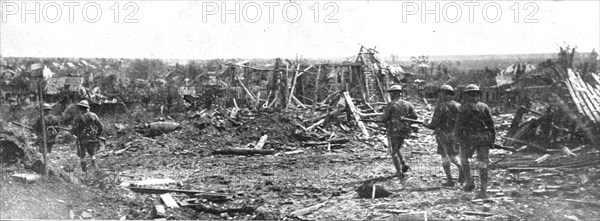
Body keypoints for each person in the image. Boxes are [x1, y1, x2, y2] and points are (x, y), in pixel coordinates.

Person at [454, 84, 495, 199]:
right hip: (484, 139)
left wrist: (457, 140)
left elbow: (458, 127)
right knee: (483, 163)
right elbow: (491, 125)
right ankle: (483, 190)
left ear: (466, 96)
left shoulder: (463, 108)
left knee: (464, 160)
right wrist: (492, 140)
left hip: (468, 139)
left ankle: (469, 181)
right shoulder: (484, 106)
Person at [424, 85, 464, 187]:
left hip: (443, 136)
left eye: (440, 93)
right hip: (455, 135)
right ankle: (451, 179)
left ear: (445, 94)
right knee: (448, 156)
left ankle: (459, 174)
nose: (439, 95)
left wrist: (425, 124)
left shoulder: (440, 106)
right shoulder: (458, 105)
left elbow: (433, 124)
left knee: (450, 157)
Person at [381, 85, 418, 178]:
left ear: (394, 94)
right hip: (404, 130)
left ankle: (398, 171)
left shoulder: (390, 104)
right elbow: (415, 116)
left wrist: (384, 120)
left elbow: (384, 118)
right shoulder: (408, 104)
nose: (391, 95)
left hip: (393, 130)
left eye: (391, 93)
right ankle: (404, 164)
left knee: (393, 151)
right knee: (398, 148)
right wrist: (407, 123)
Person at [71, 100, 104, 172]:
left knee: (82, 155)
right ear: (87, 108)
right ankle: (95, 168)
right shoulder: (94, 115)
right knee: (92, 154)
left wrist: (74, 134)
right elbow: (101, 126)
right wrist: (98, 134)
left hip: (82, 138)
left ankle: (84, 171)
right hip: (93, 136)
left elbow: (75, 129)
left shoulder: (78, 117)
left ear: (80, 108)